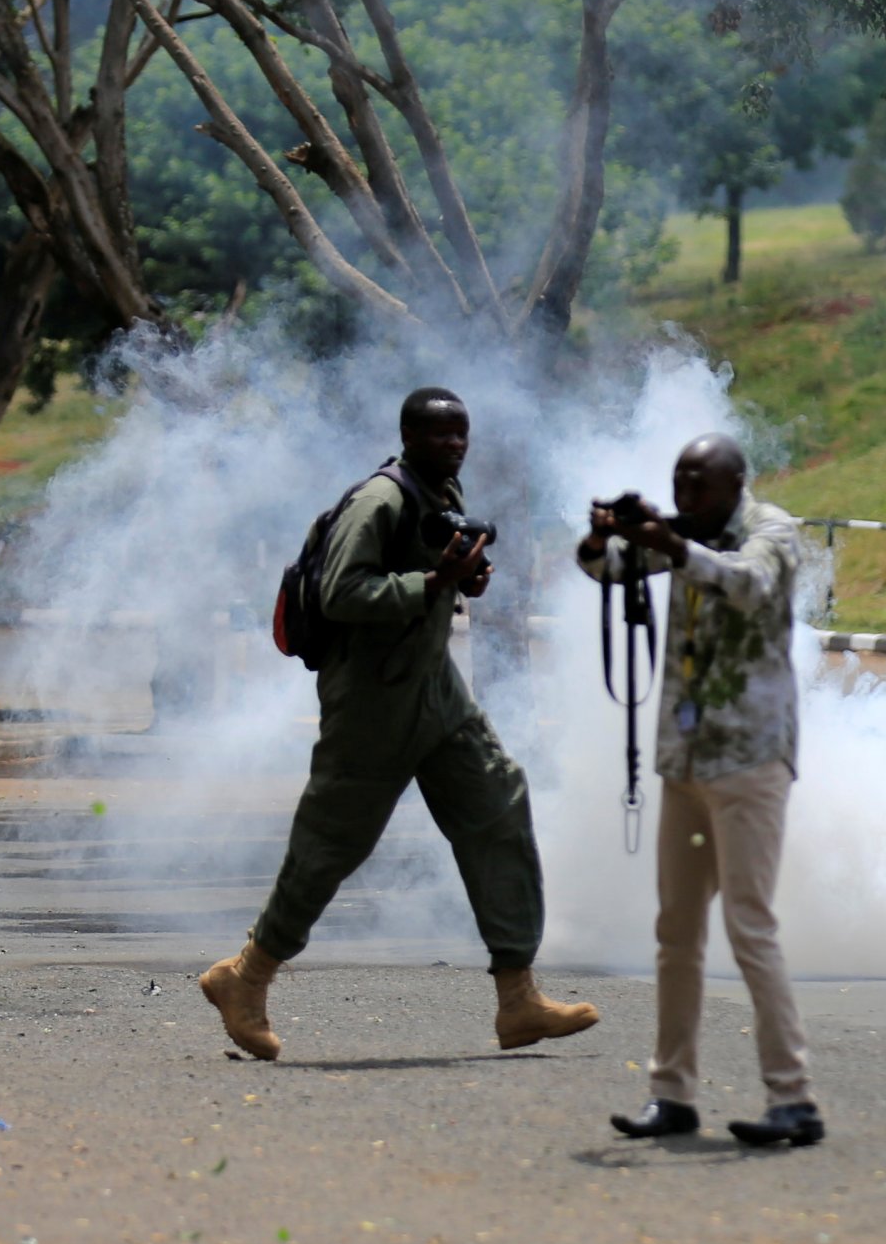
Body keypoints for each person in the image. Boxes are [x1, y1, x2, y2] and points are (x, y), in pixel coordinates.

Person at [199, 387, 599, 1061]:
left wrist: (460, 579)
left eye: (461, 434)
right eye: (441, 436)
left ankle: (518, 997)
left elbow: (425, 573)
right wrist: (432, 585)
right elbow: (341, 591)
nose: (455, 446)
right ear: (409, 436)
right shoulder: (380, 501)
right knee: (332, 844)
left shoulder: (442, 493)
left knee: (498, 805)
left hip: (433, 689)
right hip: (372, 700)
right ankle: (245, 978)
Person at [579, 434, 821, 1148]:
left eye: (700, 485)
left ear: (736, 483)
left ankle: (794, 1098)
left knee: (750, 927)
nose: (686, 497)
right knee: (676, 933)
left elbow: (747, 584)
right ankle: (671, 1093)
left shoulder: (770, 534)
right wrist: (605, 536)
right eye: (678, 483)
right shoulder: (684, 536)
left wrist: (673, 543)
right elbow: (608, 570)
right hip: (685, 765)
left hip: (749, 762)